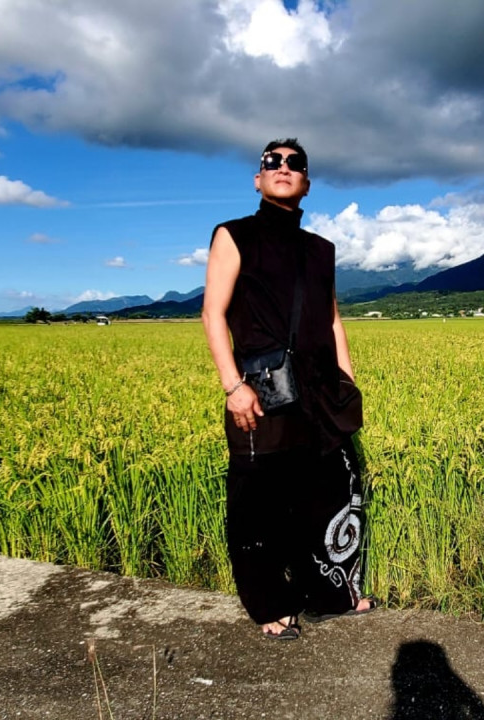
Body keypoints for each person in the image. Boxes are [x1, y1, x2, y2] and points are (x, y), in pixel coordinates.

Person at [202, 138, 376, 640]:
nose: (283, 167)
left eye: (294, 163)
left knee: (329, 492)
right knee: (259, 502)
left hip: (320, 392)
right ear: (258, 179)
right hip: (262, 391)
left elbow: (333, 319)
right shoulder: (234, 235)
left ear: (307, 183)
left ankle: (331, 594)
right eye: (272, 162)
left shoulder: (321, 249)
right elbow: (212, 312)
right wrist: (233, 386)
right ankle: (269, 605)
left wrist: (346, 379)